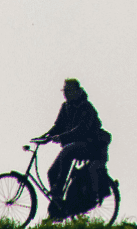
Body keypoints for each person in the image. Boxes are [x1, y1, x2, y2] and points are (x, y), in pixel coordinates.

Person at [32, 78, 112, 220]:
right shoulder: (65, 107)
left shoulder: (87, 107)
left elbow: (81, 130)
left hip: (91, 146)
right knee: (52, 173)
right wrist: (44, 137)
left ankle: (60, 195)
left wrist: (61, 137)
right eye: (64, 91)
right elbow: (57, 126)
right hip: (75, 146)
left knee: (68, 151)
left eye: (69, 90)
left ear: (78, 91)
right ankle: (58, 204)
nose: (66, 94)